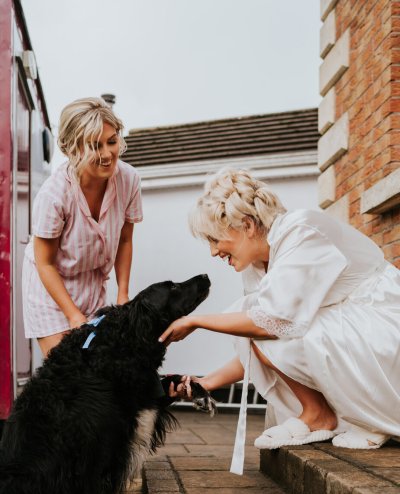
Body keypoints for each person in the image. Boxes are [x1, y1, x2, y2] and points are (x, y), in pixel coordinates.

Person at [160, 168, 400, 450]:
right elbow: (260, 342)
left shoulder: (302, 231)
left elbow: (270, 324)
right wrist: (207, 381)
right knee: (250, 315)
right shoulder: (257, 266)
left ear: (247, 226)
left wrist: (196, 321)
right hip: (351, 335)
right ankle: (320, 414)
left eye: (215, 239)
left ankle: (347, 415)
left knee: (254, 315)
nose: (213, 252)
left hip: (384, 329)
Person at [23, 97, 142, 356]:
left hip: (92, 283)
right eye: (94, 146)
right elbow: (45, 264)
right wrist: (73, 315)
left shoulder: (129, 180)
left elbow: (124, 240)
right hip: (50, 290)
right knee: (71, 375)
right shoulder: (54, 195)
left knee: (95, 370)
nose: (108, 154)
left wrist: (123, 295)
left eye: (112, 142)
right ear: (72, 150)